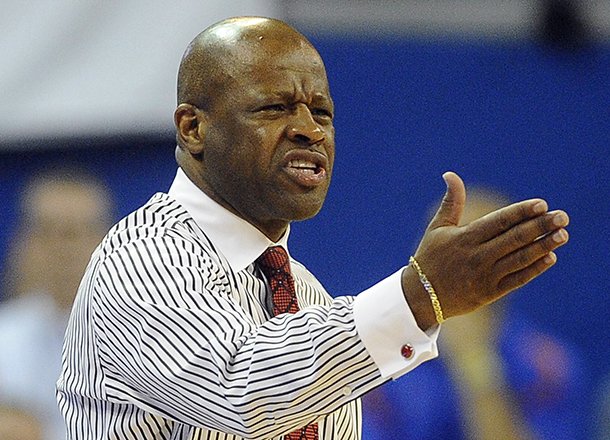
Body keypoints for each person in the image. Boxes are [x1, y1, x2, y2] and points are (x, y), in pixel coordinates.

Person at [56, 17, 570, 440]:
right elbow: (244, 394)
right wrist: (419, 295)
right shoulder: (143, 255)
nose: (309, 129)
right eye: (274, 107)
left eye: (321, 111)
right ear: (194, 128)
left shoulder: (306, 296)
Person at [362, 188, 587, 440]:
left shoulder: (547, 365)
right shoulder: (378, 355)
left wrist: (475, 361)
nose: (457, 261)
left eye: (480, 246)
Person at [0, 168, 114, 440]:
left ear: (109, 239)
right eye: (49, 231)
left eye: (76, 232)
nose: (64, 248)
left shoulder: (149, 334)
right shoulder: (4, 335)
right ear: (24, 244)